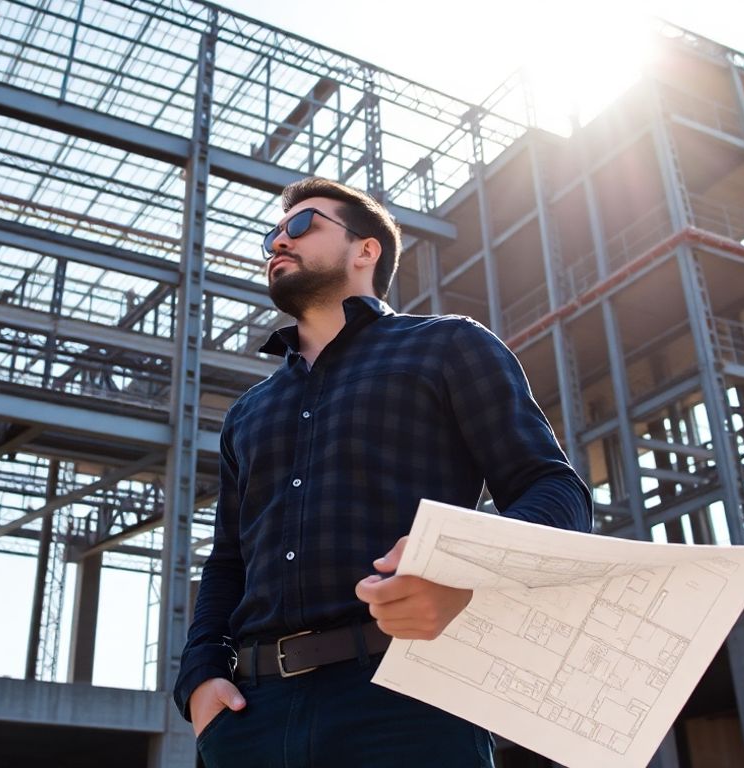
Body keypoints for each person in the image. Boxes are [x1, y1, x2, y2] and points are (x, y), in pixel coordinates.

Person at [174, 177, 592, 767]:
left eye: (301, 226)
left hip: (406, 701)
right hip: (250, 717)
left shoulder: (448, 347)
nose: (278, 242)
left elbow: (554, 488)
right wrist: (198, 681)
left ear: (365, 250)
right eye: (272, 234)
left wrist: (462, 569)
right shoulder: (249, 410)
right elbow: (227, 563)